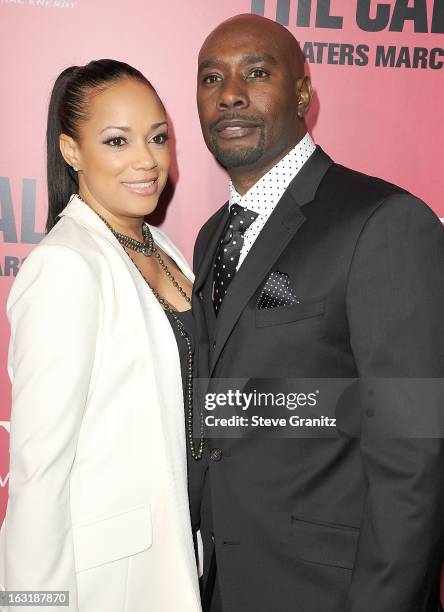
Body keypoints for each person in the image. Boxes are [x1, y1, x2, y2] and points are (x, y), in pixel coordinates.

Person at [191, 14, 444, 612]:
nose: (230, 93)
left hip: (334, 592)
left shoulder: (383, 223)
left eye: (256, 72)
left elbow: (414, 448)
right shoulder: (209, 239)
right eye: (211, 78)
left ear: (302, 92)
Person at [0, 59, 202, 612]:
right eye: (118, 141)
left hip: (182, 549)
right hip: (112, 581)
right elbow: (39, 473)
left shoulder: (165, 249)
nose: (147, 160)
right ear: (71, 151)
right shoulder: (67, 265)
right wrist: (30, 604)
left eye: (158, 137)